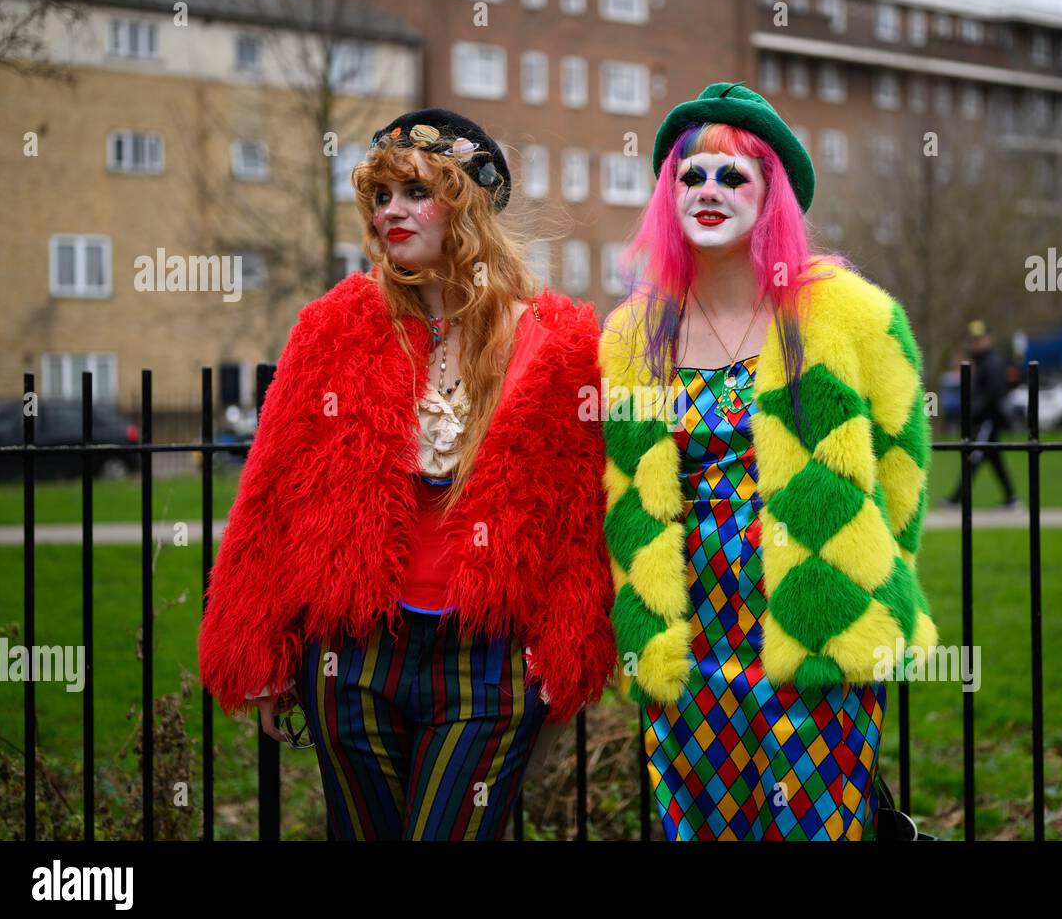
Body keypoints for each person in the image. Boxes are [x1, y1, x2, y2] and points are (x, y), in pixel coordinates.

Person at [197, 109, 616, 840]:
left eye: (416, 192)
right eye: (380, 196)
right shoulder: (334, 327)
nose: (392, 211)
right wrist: (256, 640)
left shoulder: (560, 343)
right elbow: (270, 492)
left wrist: (571, 635)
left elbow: (581, 515)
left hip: (487, 661)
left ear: (469, 206)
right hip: (352, 656)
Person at [599, 82, 940, 840]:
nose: (709, 190)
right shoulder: (632, 338)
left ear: (771, 197)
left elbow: (900, 465)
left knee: (815, 826)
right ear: (668, 197)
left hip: (812, 630)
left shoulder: (847, 314)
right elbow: (624, 493)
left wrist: (856, 585)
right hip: (691, 644)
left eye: (733, 175)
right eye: (691, 176)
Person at [943, 319, 1020, 508]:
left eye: (979, 339)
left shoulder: (992, 363)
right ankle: (1011, 498)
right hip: (986, 418)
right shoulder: (982, 361)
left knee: (973, 457)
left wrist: (974, 411)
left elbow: (992, 394)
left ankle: (955, 498)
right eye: (973, 339)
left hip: (988, 419)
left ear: (988, 339)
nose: (975, 343)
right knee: (993, 459)